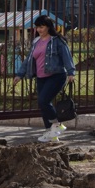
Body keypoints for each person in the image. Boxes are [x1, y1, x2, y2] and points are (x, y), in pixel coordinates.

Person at [12, 15, 76, 143]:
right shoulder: (36, 42)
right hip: (41, 77)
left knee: (43, 101)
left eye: (42, 27)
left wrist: (71, 72)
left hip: (56, 76)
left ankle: (57, 126)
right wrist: (20, 74)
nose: (39, 30)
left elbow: (66, 56)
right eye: (37, 27)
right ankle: (51, 133)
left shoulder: (57, 41)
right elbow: (29, 60)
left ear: (48, 27)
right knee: (43, 104)